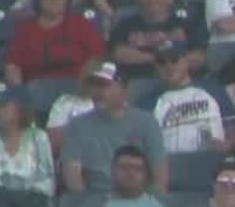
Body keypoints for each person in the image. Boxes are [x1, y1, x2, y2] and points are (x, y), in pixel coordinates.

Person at [60, 64, 168, 196]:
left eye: (105, 85)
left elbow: (159, 174)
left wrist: (150, 206)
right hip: (95, 200)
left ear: (124, 90)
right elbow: (72, 174)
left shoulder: (146, 122)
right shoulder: (78, 125)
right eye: (95, 86)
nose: (98, 92)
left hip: (137, 200)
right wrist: (85, 204)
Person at [4, 0, 106, 84]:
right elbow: (13, 65)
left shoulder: (81, 25)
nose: (55, 0)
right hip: (35, 91)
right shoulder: (26, 29)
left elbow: (97, 60)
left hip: (74, 88)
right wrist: (20, 91)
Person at [142, 44, 235, 155]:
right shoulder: (148, 103)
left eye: (174, 60)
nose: (169, 67)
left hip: (213, 159)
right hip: (172, 165)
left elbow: (232, 128)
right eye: (162, 62)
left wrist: (228, 145)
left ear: (186, 61)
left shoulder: (213, 90)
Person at [109, 0, 206, 81]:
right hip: (139, 82)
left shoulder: (186, 23)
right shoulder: (125, 24)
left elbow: (199, 58)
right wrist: (159, 59)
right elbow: (119, 55)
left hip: (181, 81)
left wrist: (165, 65)